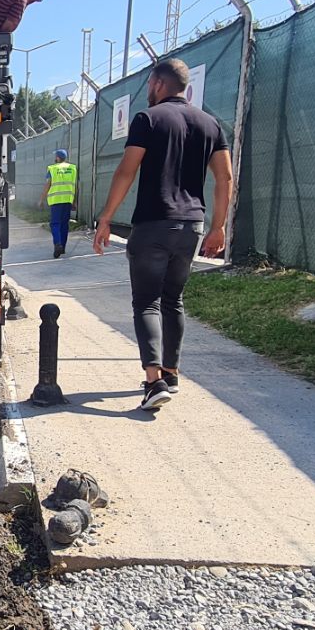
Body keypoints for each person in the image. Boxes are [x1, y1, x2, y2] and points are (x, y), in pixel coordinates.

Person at [91, 58, 232, 410]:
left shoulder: (148, 119)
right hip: (192, 227)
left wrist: (106, 218)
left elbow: (126, 171)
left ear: (157, 83)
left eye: (150, 85)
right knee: (173, 300)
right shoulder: (210, 124)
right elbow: (225, 178)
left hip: (154, 223)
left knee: (147, 301)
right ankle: (171, 373)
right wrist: (218, 226)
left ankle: (154, 382)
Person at [43, 148, 78, 257]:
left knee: (55, 224)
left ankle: (57, 244)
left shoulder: (52, 169)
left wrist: (41, 199)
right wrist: (74, 201)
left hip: (56, 201)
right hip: (68, 200)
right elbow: (76, 186)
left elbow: (48, 185)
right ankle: (62, 247)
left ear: (57, 158)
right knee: (64, 225)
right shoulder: (72, 168)